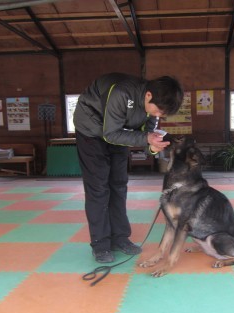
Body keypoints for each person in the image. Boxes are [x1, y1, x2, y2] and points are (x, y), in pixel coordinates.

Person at [73, 73, 184, 263]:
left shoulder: (152, 106)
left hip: (118, 132)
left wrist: (152, 145)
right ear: (148, 95)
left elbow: (147, 132)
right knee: (98, 188)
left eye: (162, 114)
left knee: (119, 184)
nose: (157, 116)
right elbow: (110, 133)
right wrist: (145, 139)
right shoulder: (122, 93)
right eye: (158, 111)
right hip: (91, 131)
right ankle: (100, 244)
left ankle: (120, 237)